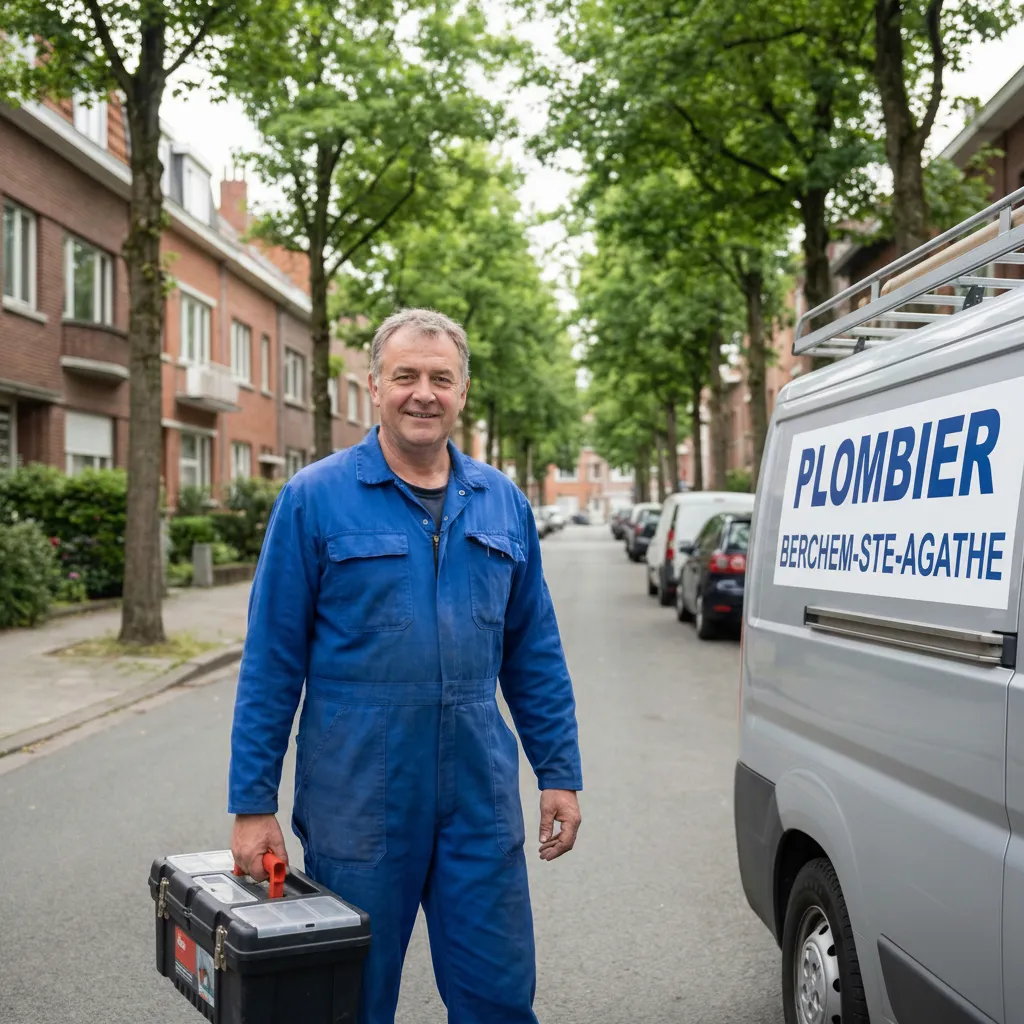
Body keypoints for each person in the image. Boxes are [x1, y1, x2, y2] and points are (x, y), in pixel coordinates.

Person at [228, 308, 583, 1024]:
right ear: (374, 386)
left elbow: (534, 652)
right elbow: (271, 662)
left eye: (441, 378)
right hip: (357, 799)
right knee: (347, 1000)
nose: (424, 393)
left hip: (478, 798)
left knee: (500, 998)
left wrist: (559, 773)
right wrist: (252, 803)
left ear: (463, 391)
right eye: (406, 376)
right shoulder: (314, 499)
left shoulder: (501, 504)